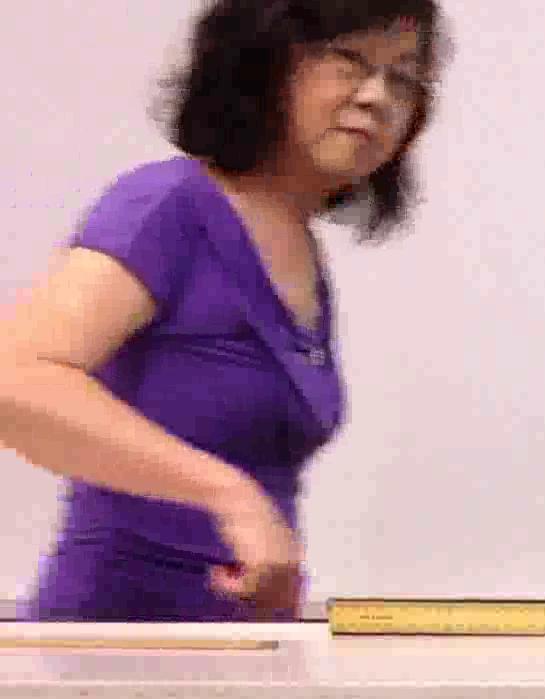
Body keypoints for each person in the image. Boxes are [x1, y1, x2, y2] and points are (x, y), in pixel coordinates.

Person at [0, 0, 446, 621]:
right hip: (112, 649)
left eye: (403, 77)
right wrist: (228, 494)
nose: (377, 96)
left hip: (235, 657)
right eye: (348, 60)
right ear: (263, 63)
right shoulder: (169, 205)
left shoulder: (300, 247)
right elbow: (16, 380)